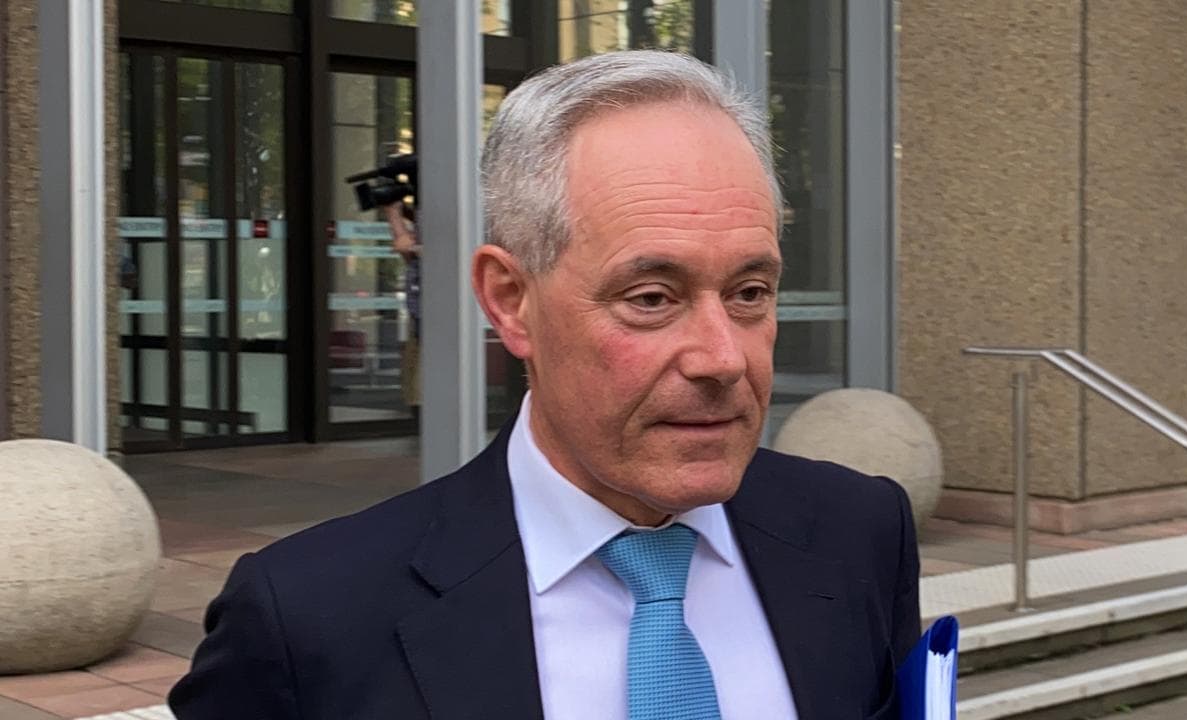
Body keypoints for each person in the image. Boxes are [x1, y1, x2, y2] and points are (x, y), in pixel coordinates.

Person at [169, 50, 920, 720]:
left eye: (750, 292)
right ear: (510, 300)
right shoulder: (308, 618)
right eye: (651, 298)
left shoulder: (861, 533)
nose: (723, 358)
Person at [386, 200, 422, 411]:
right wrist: (394, 216)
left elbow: (455, 253)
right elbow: (412, 258)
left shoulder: (462, 201)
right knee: (414, 393)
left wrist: (413, 247)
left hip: (441, 321)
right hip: (419, 317)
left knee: (424, 392)